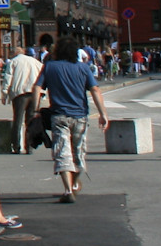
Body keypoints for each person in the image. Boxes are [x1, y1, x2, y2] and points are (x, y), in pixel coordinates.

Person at [35, 37, 110, 204]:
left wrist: (35, 109)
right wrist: (103, 114)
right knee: (78, 152)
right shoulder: (83, 68)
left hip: (59, 115)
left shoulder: (50, 67)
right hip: (80, 116)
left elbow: (37, 88)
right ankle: (75, 183)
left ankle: (68, 189)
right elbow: (95, 90)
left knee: (62, 152)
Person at [1, 44, 44, 154]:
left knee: (18, 120)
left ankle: (16, 146)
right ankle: (29, 146)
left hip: (19, 93)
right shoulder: (34, 61)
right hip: (34, 93)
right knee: (31, 120)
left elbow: (8, 78)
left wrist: (4, 93)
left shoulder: (13, 62)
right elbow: (43, 72)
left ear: (14, 53)